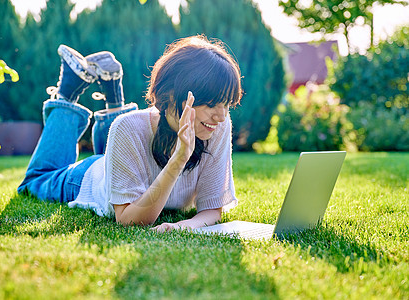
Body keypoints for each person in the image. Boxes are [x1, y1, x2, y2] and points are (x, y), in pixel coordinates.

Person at [17, 35, 243, 232]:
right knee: (36, 180)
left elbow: (212, 210)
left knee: (126, 134)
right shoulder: (128, 128)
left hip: (127, 167)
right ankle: (68, 91)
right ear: (171, 96)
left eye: (227, 104)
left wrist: (182, 226)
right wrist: (178, 160)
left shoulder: (215, 125)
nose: (221, 116)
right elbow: (128, 220)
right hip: (87, 179)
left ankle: (112, 87)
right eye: (212, 104)